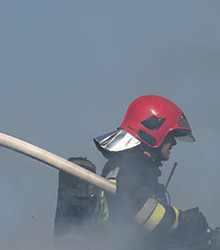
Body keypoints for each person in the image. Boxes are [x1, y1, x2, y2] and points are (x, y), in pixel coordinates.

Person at [89, 95, 210, 240]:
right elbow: (141, 209)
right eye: (171, 135)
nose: (174, 142)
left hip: (113, 247)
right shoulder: (135, 165)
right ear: (154, 131)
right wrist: (185, 221)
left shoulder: (120, 163)